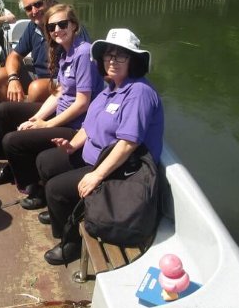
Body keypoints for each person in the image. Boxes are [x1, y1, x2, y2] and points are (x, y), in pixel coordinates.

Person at [36, 28, 164, 265]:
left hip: (121, 168)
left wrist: (96, 175)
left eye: (120, 56)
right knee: (46, 161)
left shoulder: (138, 93)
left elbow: (128, 144)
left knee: (55, 189)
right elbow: (90, 125)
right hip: (94, 155)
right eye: (108, 55)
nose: (112, 61)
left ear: (133, 60)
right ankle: (63, 214)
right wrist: (72, 145)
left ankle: (71, 242)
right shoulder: (111, 88)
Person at [0, 4, 105, 209]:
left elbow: (82, 104)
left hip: (76, 125)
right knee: (4, 111)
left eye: (62, 24)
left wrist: (46, 125)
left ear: (74, 25)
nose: (56, 30)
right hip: (62, 113)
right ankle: (13, 169)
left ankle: (36, 188)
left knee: (13, 141)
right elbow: (58, 93)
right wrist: (37, 117)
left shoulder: (83, 53)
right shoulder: (64, 52)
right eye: (51, 27)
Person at [0, 0, 58, 103]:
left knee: (35, 89)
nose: (34, 11)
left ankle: (27, 115)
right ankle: (17, 112)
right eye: (28, 8)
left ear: (50, 1)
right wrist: (13, 78)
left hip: (62, 81)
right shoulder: (34, 26)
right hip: (38, 75)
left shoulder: (64, 25)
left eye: (38, 4)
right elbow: (14, 56)